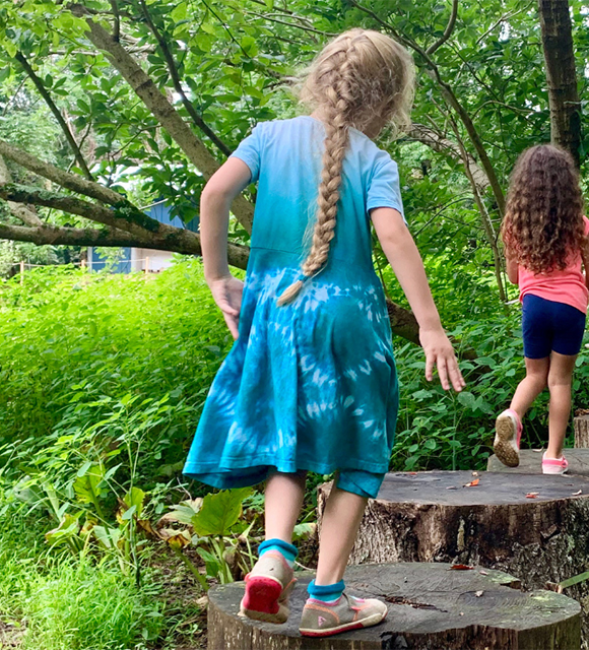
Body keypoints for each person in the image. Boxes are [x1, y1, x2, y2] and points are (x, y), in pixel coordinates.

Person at [183, 29, 465, 638]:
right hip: (349, 324)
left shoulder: (267, 137)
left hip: (274, 314)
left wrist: (216, 278)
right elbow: (392, 235)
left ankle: (275, 554)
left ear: (317, 78)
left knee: (288, 441)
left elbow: (213, 193)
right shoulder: (374, 159)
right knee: (359, 458)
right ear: (388, 100)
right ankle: (327, 598)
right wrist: (431, 326)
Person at [493, 145, 589, 474]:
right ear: (566, 184)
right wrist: (578, 295)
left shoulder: (514, 225)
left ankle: (512, 415)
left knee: (534, 375)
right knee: (560, 382)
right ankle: (553, 458)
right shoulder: (578, 223)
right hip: (571, 307)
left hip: (534, 306)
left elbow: (513, 277)